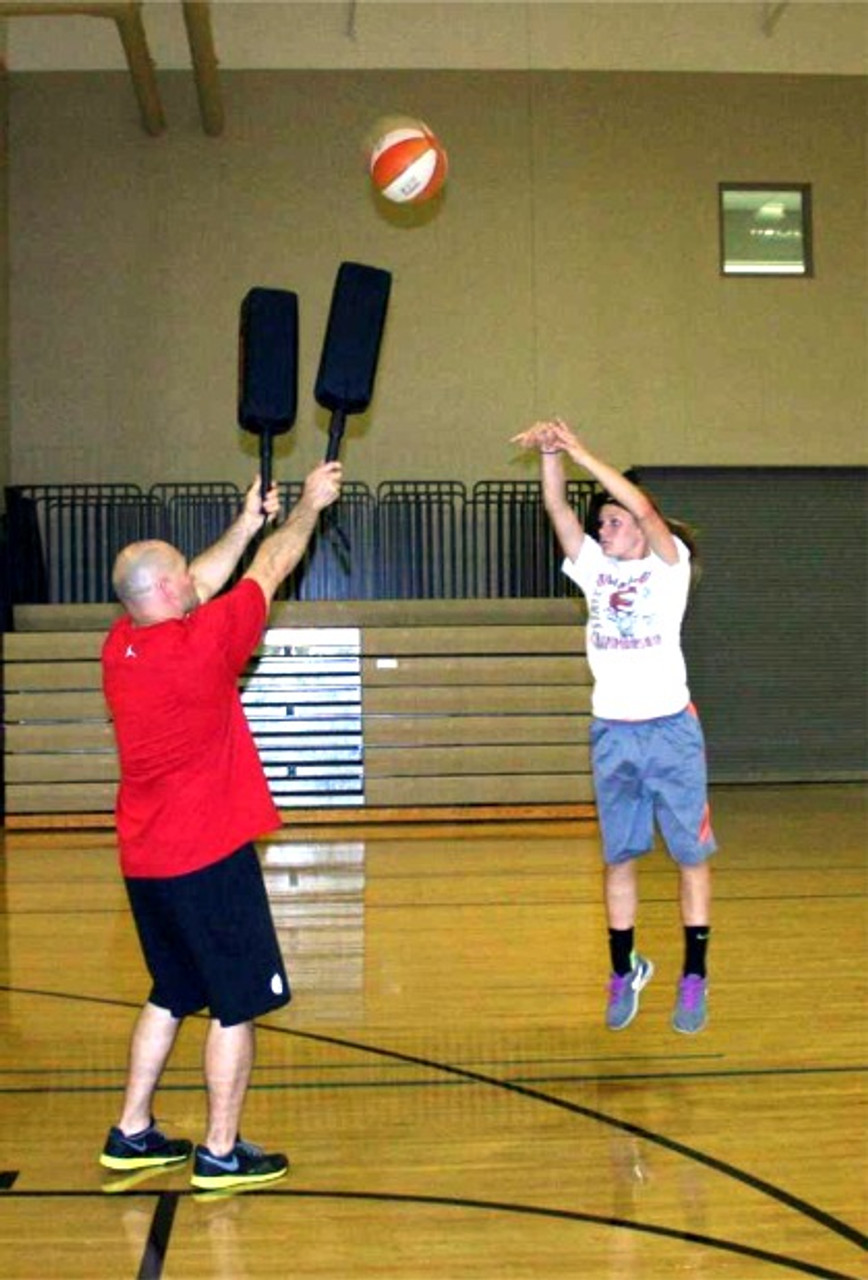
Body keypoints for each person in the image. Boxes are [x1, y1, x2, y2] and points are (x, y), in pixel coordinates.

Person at [99, 462, 343, 1190]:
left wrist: (245, 519)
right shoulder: (202, 645)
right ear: (171, 594)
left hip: (147, 862)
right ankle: (220, 1149)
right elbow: (273, 567)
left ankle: (133, 1131)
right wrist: (307, 506)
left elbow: (199, 579)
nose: (193, 580)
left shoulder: (122, 645)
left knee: (172, 990)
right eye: (183, 575)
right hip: (207, 857)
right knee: (236, 1002)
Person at [512, 417, 715, 1034]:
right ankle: (625, 969)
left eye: (612, 520)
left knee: (689, 856)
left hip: (670, 732)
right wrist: (551, 456)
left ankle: (694, 976)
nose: (604, 527)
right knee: (619, 858)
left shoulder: (667, 567)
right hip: (613, 734)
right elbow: (556, 508)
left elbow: (647, 512)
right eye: (601, 522)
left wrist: (581, 451)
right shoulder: (596, 571)